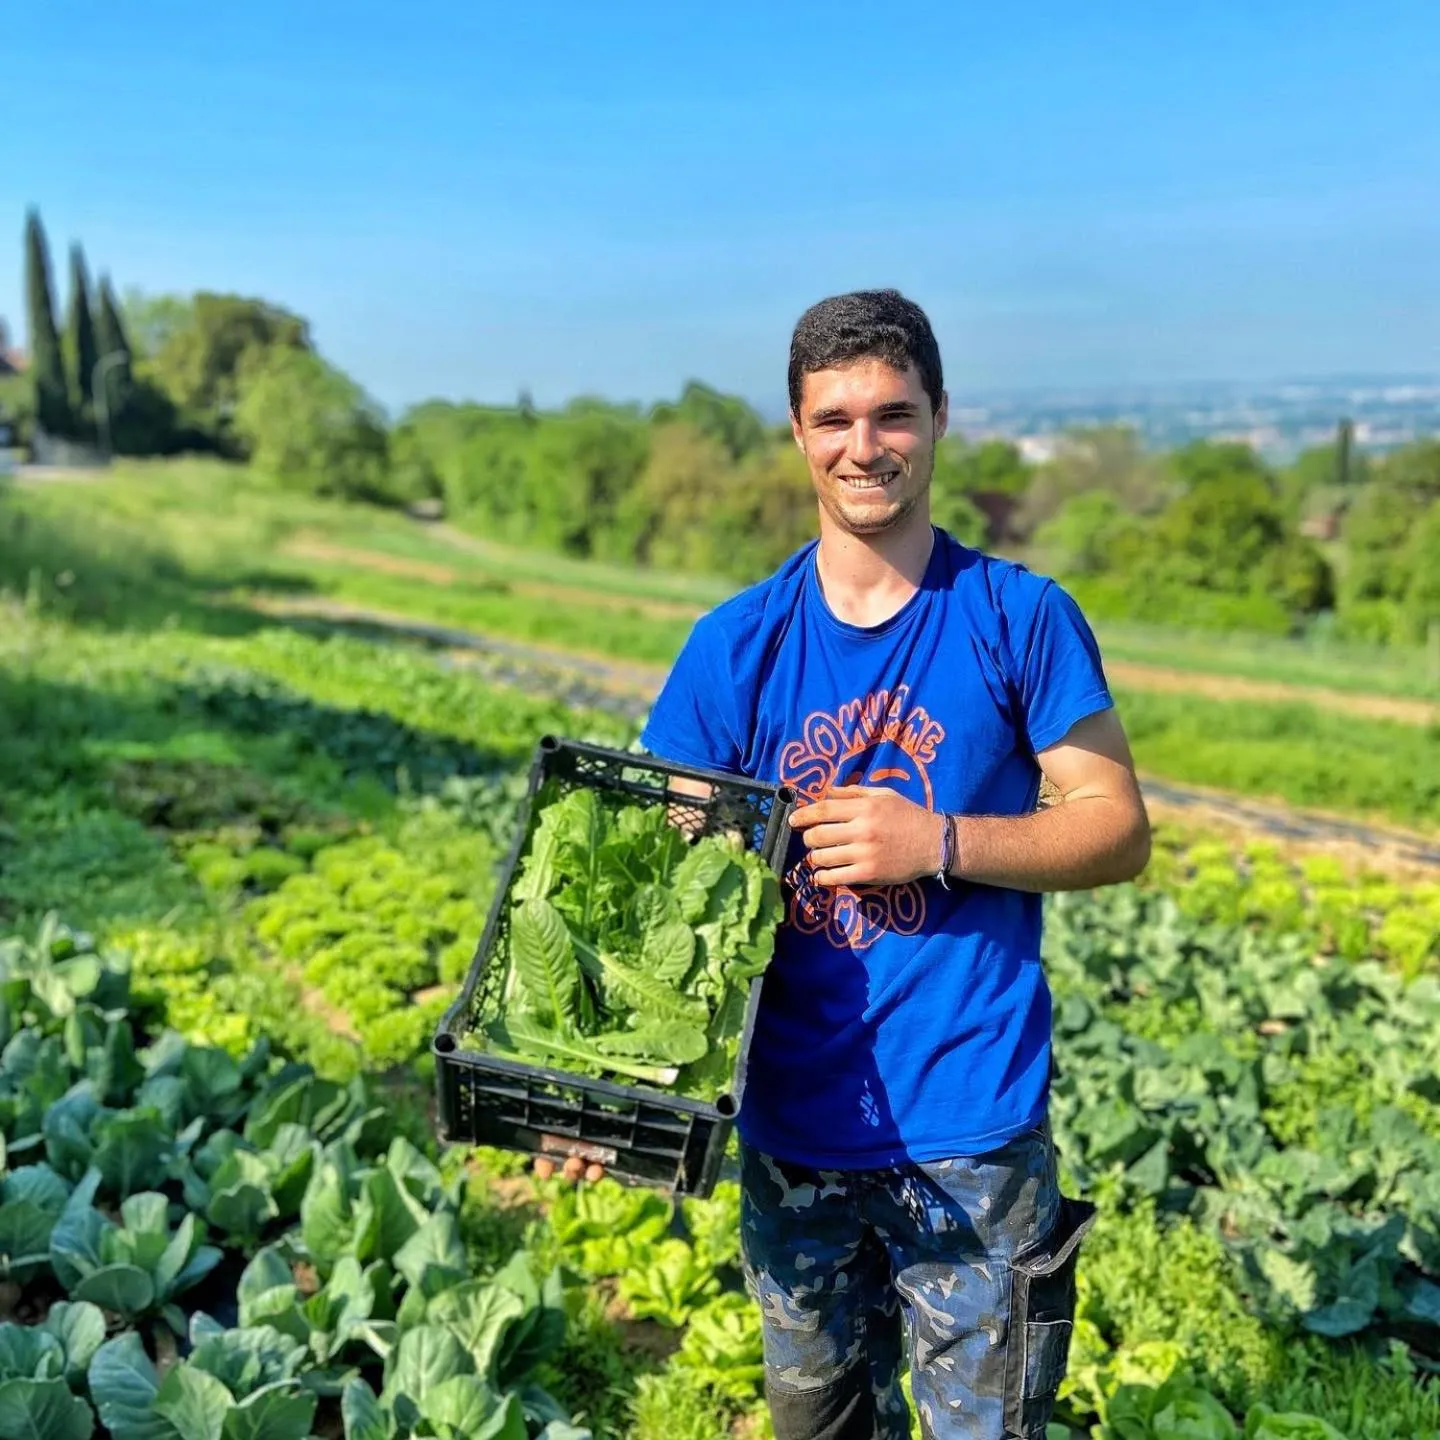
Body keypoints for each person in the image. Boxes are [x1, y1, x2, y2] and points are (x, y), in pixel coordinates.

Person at [637, 290, 1151, 1440]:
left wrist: (942, 841)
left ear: (939, 419)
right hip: (791, 1137)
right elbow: (653, 890)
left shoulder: (1018, 618)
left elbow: (1118, 827)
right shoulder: (736, 645)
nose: (862, 446)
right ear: (798, 431)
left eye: (892, 414)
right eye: (834, 420)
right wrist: (607, 1103)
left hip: (974, 1136)